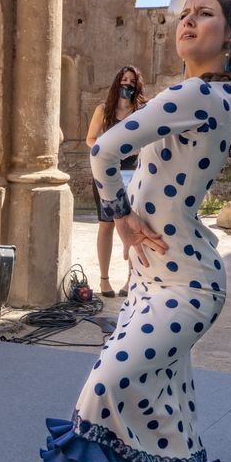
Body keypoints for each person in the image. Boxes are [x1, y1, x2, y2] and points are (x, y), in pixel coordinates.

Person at [34, 0, 231, 462]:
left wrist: (121, 219)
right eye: (185, 14)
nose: (188, 21)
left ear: (230, 37)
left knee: (110, 382)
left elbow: (103, 150)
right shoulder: (212, 93)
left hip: (186, 284)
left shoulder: (197, 93)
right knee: (168, 408)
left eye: (204, 14)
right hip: (156, 280)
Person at [87, 66, 147, 298]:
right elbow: (90, 139)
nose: (128, 84)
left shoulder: (142, 111)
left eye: (132, 81)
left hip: (134, 174)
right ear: (117, 82)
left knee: (132, 225)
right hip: (106, 173)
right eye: (124, 79)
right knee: (107, 225)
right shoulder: (103, 110)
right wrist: (108, 149)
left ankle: (131, 279)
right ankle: (104, 280)